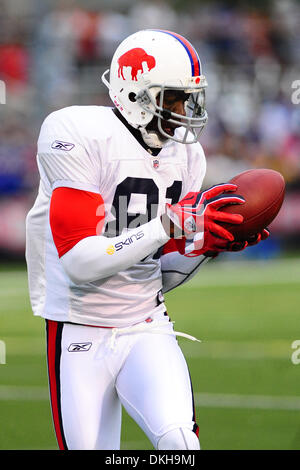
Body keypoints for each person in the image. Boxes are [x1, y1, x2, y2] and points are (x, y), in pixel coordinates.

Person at [25, 29, 268, 450]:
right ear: (135, 92)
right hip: (80, 330)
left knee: (181, 445)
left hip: (146, 324)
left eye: (187, 98)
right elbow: (80, 261)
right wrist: (169, 224)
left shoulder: (187, 154)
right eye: (171, 98)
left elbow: (159, 271)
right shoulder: (77, 132)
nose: (182, 110)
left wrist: (208, 246)